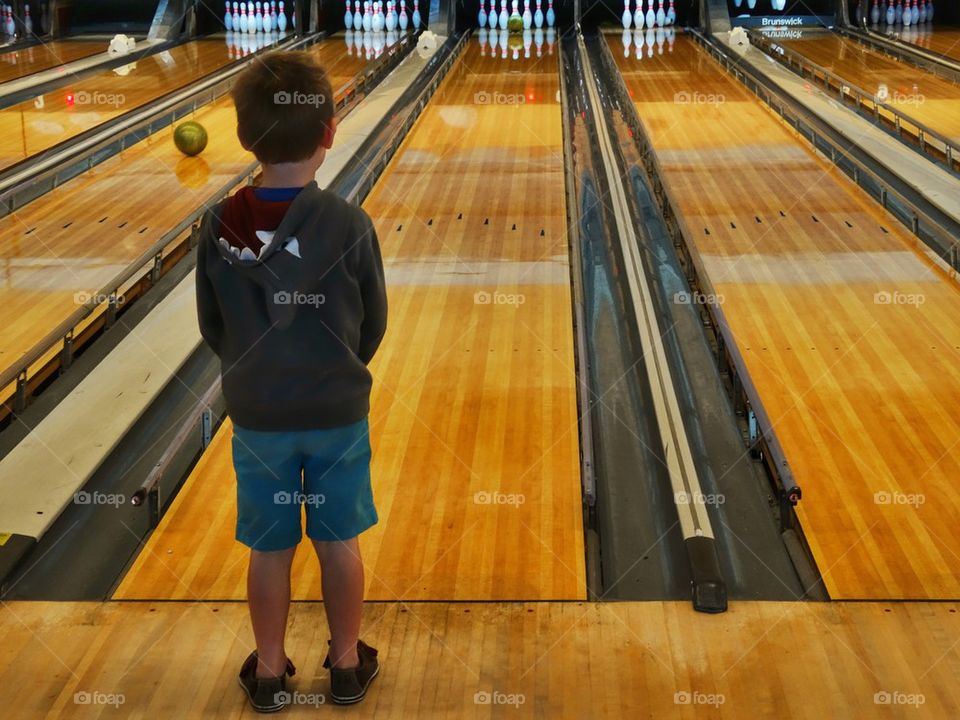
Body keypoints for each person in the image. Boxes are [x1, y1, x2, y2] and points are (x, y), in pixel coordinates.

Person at [195, 51, 387, 713]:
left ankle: (271, 672)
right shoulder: (350, 225)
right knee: (338, 542)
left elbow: (211, 324)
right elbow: (372, 324)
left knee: (269, 545)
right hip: (336, 412)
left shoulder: (217, 225)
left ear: (245, 135)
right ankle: (344, 665)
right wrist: (334, 371)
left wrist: (254, 370)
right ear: (330, 131)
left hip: (258, 418)